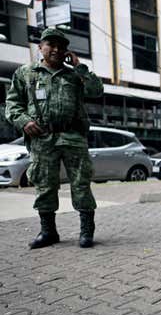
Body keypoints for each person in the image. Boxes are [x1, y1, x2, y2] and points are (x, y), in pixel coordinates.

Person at [4, 28, 103, 249]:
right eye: (51, 45)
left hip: (72, 136)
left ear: (66, 51)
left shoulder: (73, 75)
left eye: (61, 46)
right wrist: (24, 122)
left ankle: (86, 232)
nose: (56, 49)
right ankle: (48, 232)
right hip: (42, 137)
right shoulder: (25, 73)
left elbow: (97, 90)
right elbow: (12, 104)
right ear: (40, 47)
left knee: (81, 184)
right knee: (44, 184)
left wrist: (79, 67)